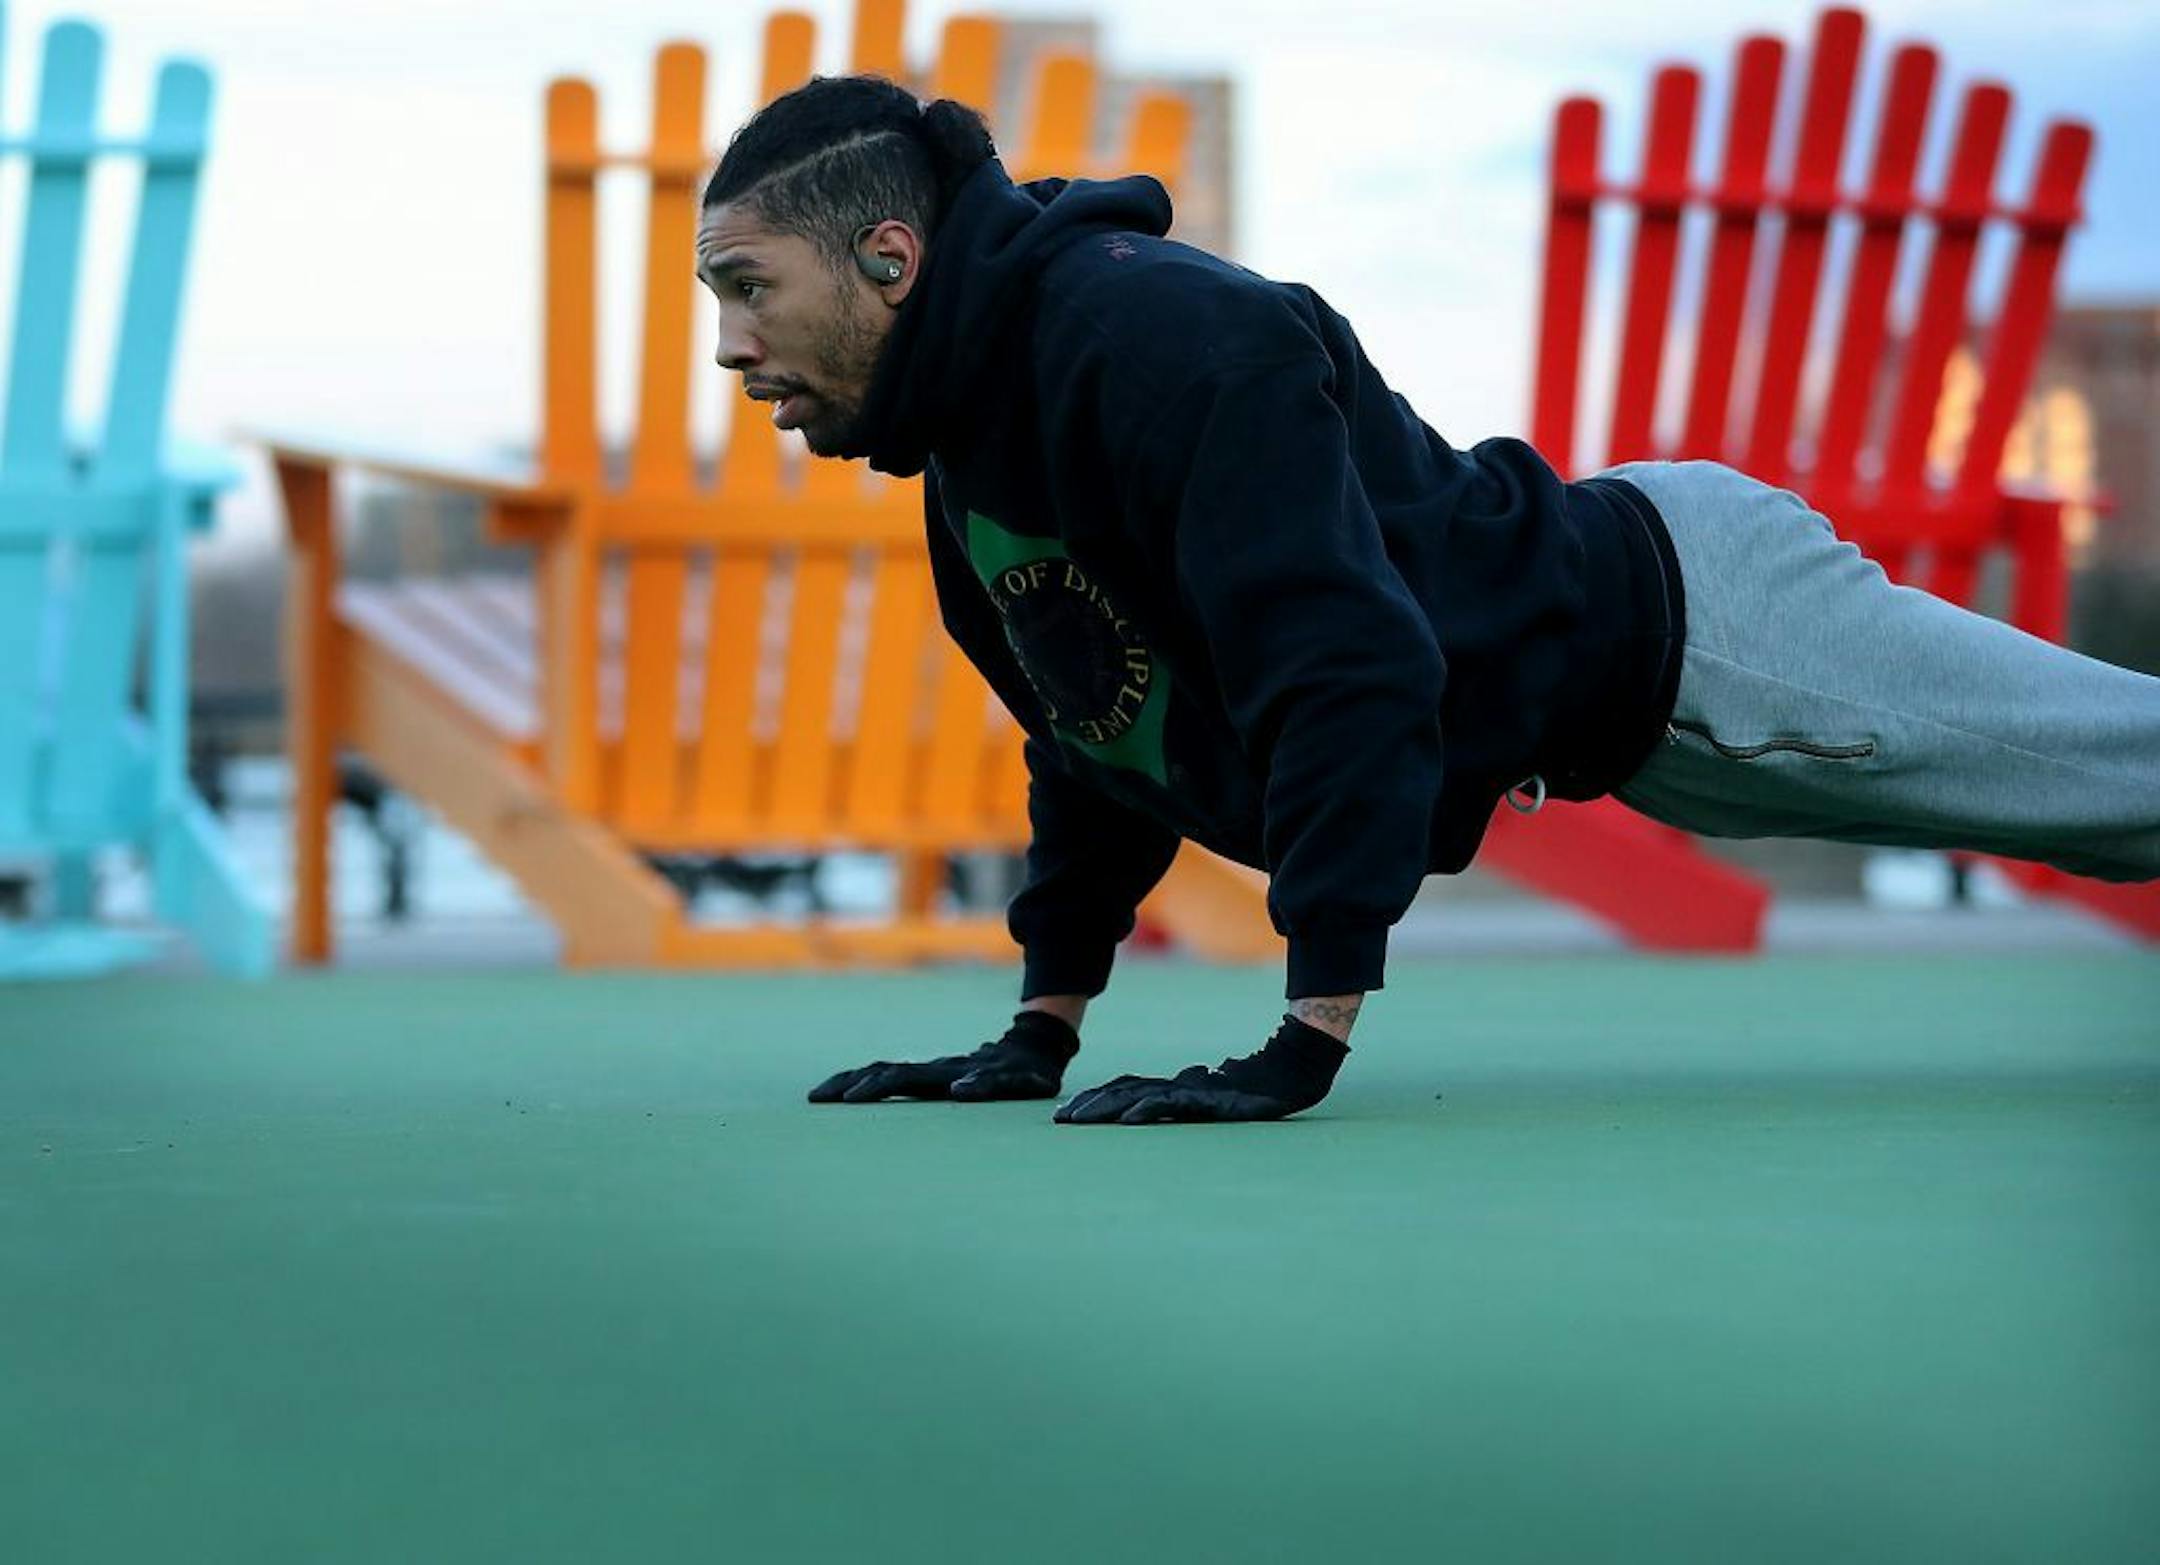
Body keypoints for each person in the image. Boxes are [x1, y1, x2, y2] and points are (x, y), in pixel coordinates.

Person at [694, 76, 2160, 1127]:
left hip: (1704, 626)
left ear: (890, 259)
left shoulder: (1163, 343)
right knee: (2109, 818)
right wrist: (1042, 1025)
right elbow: (1094, 734)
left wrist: (1306, 1037)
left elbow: (1347, 659)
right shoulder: (974, 446)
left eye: (748, 287)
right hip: (1635, 726)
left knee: (2123, 778)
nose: (729, 346)